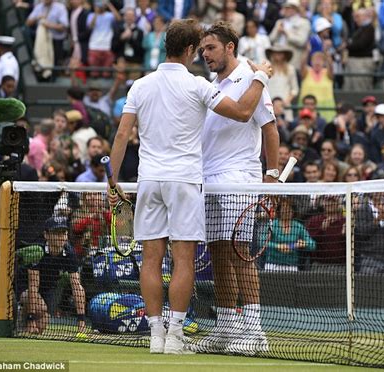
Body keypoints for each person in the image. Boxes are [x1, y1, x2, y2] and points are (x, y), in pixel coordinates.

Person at [107, 18, 272, 355]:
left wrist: (111, 180)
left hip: (151, 180)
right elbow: (242, 112)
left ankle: (158, 335)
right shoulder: (198, 85)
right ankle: (176, 336)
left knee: (152, 260)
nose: (202, 55)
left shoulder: (139, 84)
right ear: (187, 50)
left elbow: (122, 135)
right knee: (187, 259)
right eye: (199, 49)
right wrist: (263, 75)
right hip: (186, 181)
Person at [197, 21, 279, 355]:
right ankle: (227, 329)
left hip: (239, 178)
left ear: (230, 47)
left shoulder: (250, 75)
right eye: (202, 49)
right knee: (217, 253)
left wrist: (272, 176)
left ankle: (255, 331)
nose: (205, 54)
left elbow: (270, 129)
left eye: (211, 48)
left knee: (240, 253)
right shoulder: (210, 85)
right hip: (210, 178)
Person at [19, 216, 86, 335]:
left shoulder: (69, 253)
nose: (61, 237)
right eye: (56, 233)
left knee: (42, 324)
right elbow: (33, 286)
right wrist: (31, 320)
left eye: (64, 233)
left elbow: (76, 286)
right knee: (40, 308)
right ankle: (20, 313)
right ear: (46, 235)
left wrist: (81, 322)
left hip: (47, 290)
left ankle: (23, 328)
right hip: (25, 288)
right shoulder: (38, 250)